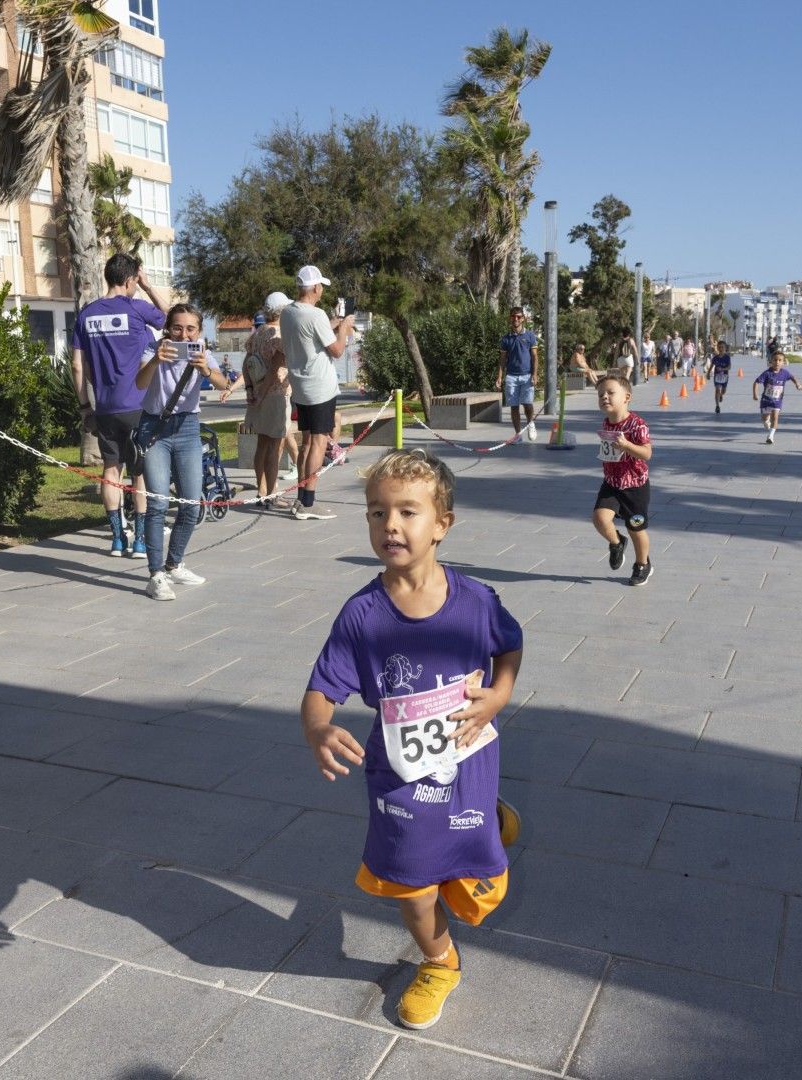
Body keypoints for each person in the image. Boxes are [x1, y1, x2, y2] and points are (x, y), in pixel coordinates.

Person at [301, 448, 524, 1031]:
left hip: (468, 760)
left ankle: (489, 818)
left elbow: (509, 645)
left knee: (479, 882)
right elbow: (322, 687)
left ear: (442, 525)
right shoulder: (362, 615)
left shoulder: (477, 601)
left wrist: (499, 696)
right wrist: (319, 726)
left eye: (407, 512)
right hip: (397, 776)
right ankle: (439, 961)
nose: (390, 526)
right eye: (376, 513)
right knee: (412, 882)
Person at [72, 253, 168, 558]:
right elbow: (173, 321)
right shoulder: (137, 309)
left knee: (110, 471)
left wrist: (85, 405)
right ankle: (140, 541)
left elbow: (77, 365)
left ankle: (117, 538)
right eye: (136, 283)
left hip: (105, 408)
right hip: (138, 406)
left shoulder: (87, 314)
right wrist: (150, 288)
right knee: (139, 474)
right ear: (130, 280)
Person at [135, 304, 230, 600]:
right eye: (177, 328)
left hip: (188, 428)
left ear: (198, 331)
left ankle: (174, 563)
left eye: (190, 329)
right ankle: (155, 575)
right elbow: (139, 383)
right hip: (155, 429)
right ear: (167, 329)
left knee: (191, 504)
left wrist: (206, 370)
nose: (183, 334)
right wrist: (155, 363)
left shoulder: (201, 350)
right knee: (159, 504)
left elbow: (222, 383)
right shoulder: (154, 348)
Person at [280, 265, 354, 520]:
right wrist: (343, 328)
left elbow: (309, 333)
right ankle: (309, 503)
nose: (322, 290)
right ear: (314, 288)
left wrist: (331, 323)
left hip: (301, 386)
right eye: (320, 286)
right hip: (319, 387)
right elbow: (337, 351)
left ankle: (301, 499)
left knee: (308, 442)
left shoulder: (289, 312)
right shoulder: (316, 315)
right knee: (319, 443)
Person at [591, 375, 655, 586]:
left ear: (627, 397)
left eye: (610, 393)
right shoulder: (606, 423)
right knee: (600, 519)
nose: (605, 397)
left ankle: (642, 564)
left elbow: (646, 454)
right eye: (601, 394)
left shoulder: (637, 425)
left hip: (635, 486)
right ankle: (617, 543)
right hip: (611, 482)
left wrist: (627, 446)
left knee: (636, 528)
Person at [243, 291, 295, 507]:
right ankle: (272, 495)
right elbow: (276, 369)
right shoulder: (279, 335)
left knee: (262, 444)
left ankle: (262, 490)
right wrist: (263, 393)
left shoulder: (257, 334)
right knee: (275, 447)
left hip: (257, 393)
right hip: (276, 395)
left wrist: (250, 390)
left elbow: (247, 363)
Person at [495, 306, 540, 441]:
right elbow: (502, 359)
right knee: (514, 406)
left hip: (527, 375)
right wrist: (499, 377)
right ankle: (518, 435)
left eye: (519, 317)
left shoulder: (530, 336)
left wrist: (535, 374)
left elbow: (535, 357)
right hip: (511, 377)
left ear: (523, 319)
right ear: (510, 318)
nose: (516, 319)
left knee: (527, 403)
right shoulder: (506, 339)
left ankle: (531, 423)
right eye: (513, 316)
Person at [753, 349, 802, 444]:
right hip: (766, 400)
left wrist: (798, 384)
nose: (777, 362)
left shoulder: (785, 373)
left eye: (780, 360)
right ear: (771, 361)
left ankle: (771, 436)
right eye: (775, 360)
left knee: (775, 417)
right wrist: (755, 394)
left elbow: (792, 377)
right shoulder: (767, 373)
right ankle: (766, 421)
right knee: (764, 418)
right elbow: (756, 382)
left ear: (783, 362)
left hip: (777, 401)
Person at [709, 339, 732, 413]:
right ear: (717, 348)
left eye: (722, 347)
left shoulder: (727, 357)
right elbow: (711, 366)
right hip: (717, 376)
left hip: (725, 376)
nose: (721, 349)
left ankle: (721, 395)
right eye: (719, 347)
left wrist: (722, 369)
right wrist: (708, 373)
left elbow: (729, 367)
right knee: (717, 390)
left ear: (725, 348)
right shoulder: (715, 357)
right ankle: (717, 406)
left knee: (723, 390)